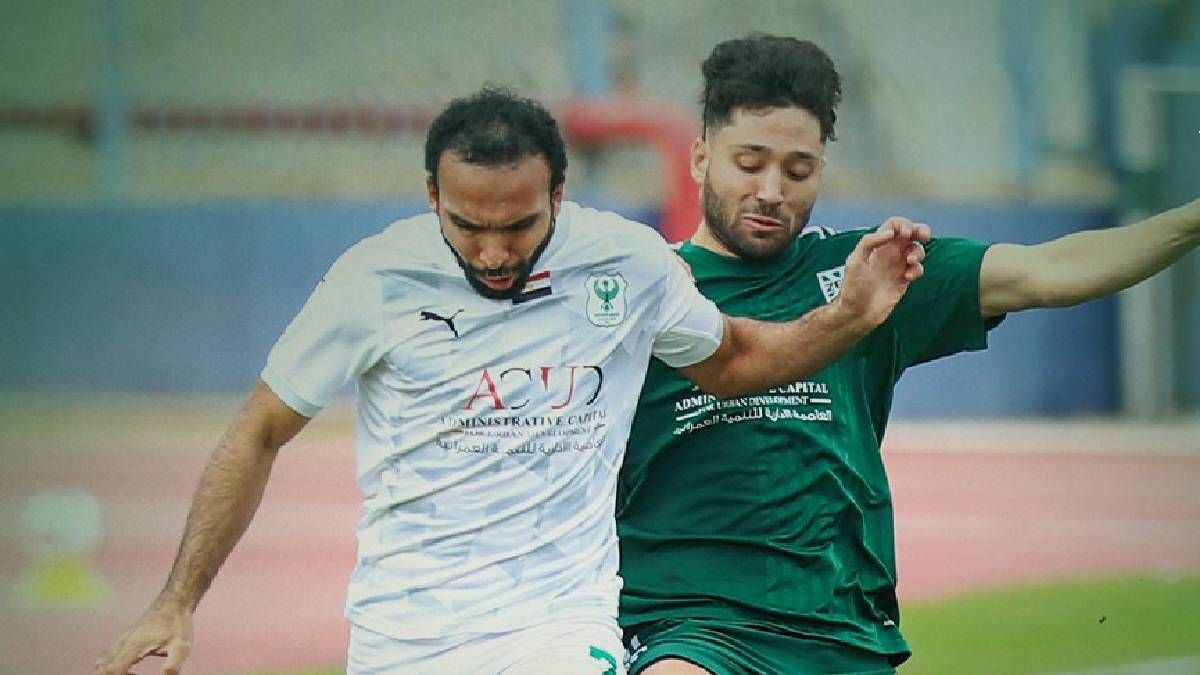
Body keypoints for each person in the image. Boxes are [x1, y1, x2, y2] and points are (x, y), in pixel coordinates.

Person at [94, 87, 929, 675]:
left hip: (557, 625)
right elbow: (259, 430)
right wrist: (177, 600)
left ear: (560, 195)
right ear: (431, 196)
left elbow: (736, 360)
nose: (493, 251)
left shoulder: (626, 263)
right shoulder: (374, 279)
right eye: (467, 225)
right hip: (402, 631)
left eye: (520, 224)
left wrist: (848, 317)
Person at [616, 33, 1200, 675]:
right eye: (749, 163)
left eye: (798, 170)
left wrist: (1193, 219)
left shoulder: (867, 272)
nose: (772, 191)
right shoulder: (645, 290)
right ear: (700, 158)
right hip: (691, 626)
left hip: (843, 630)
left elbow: (1050, 271)